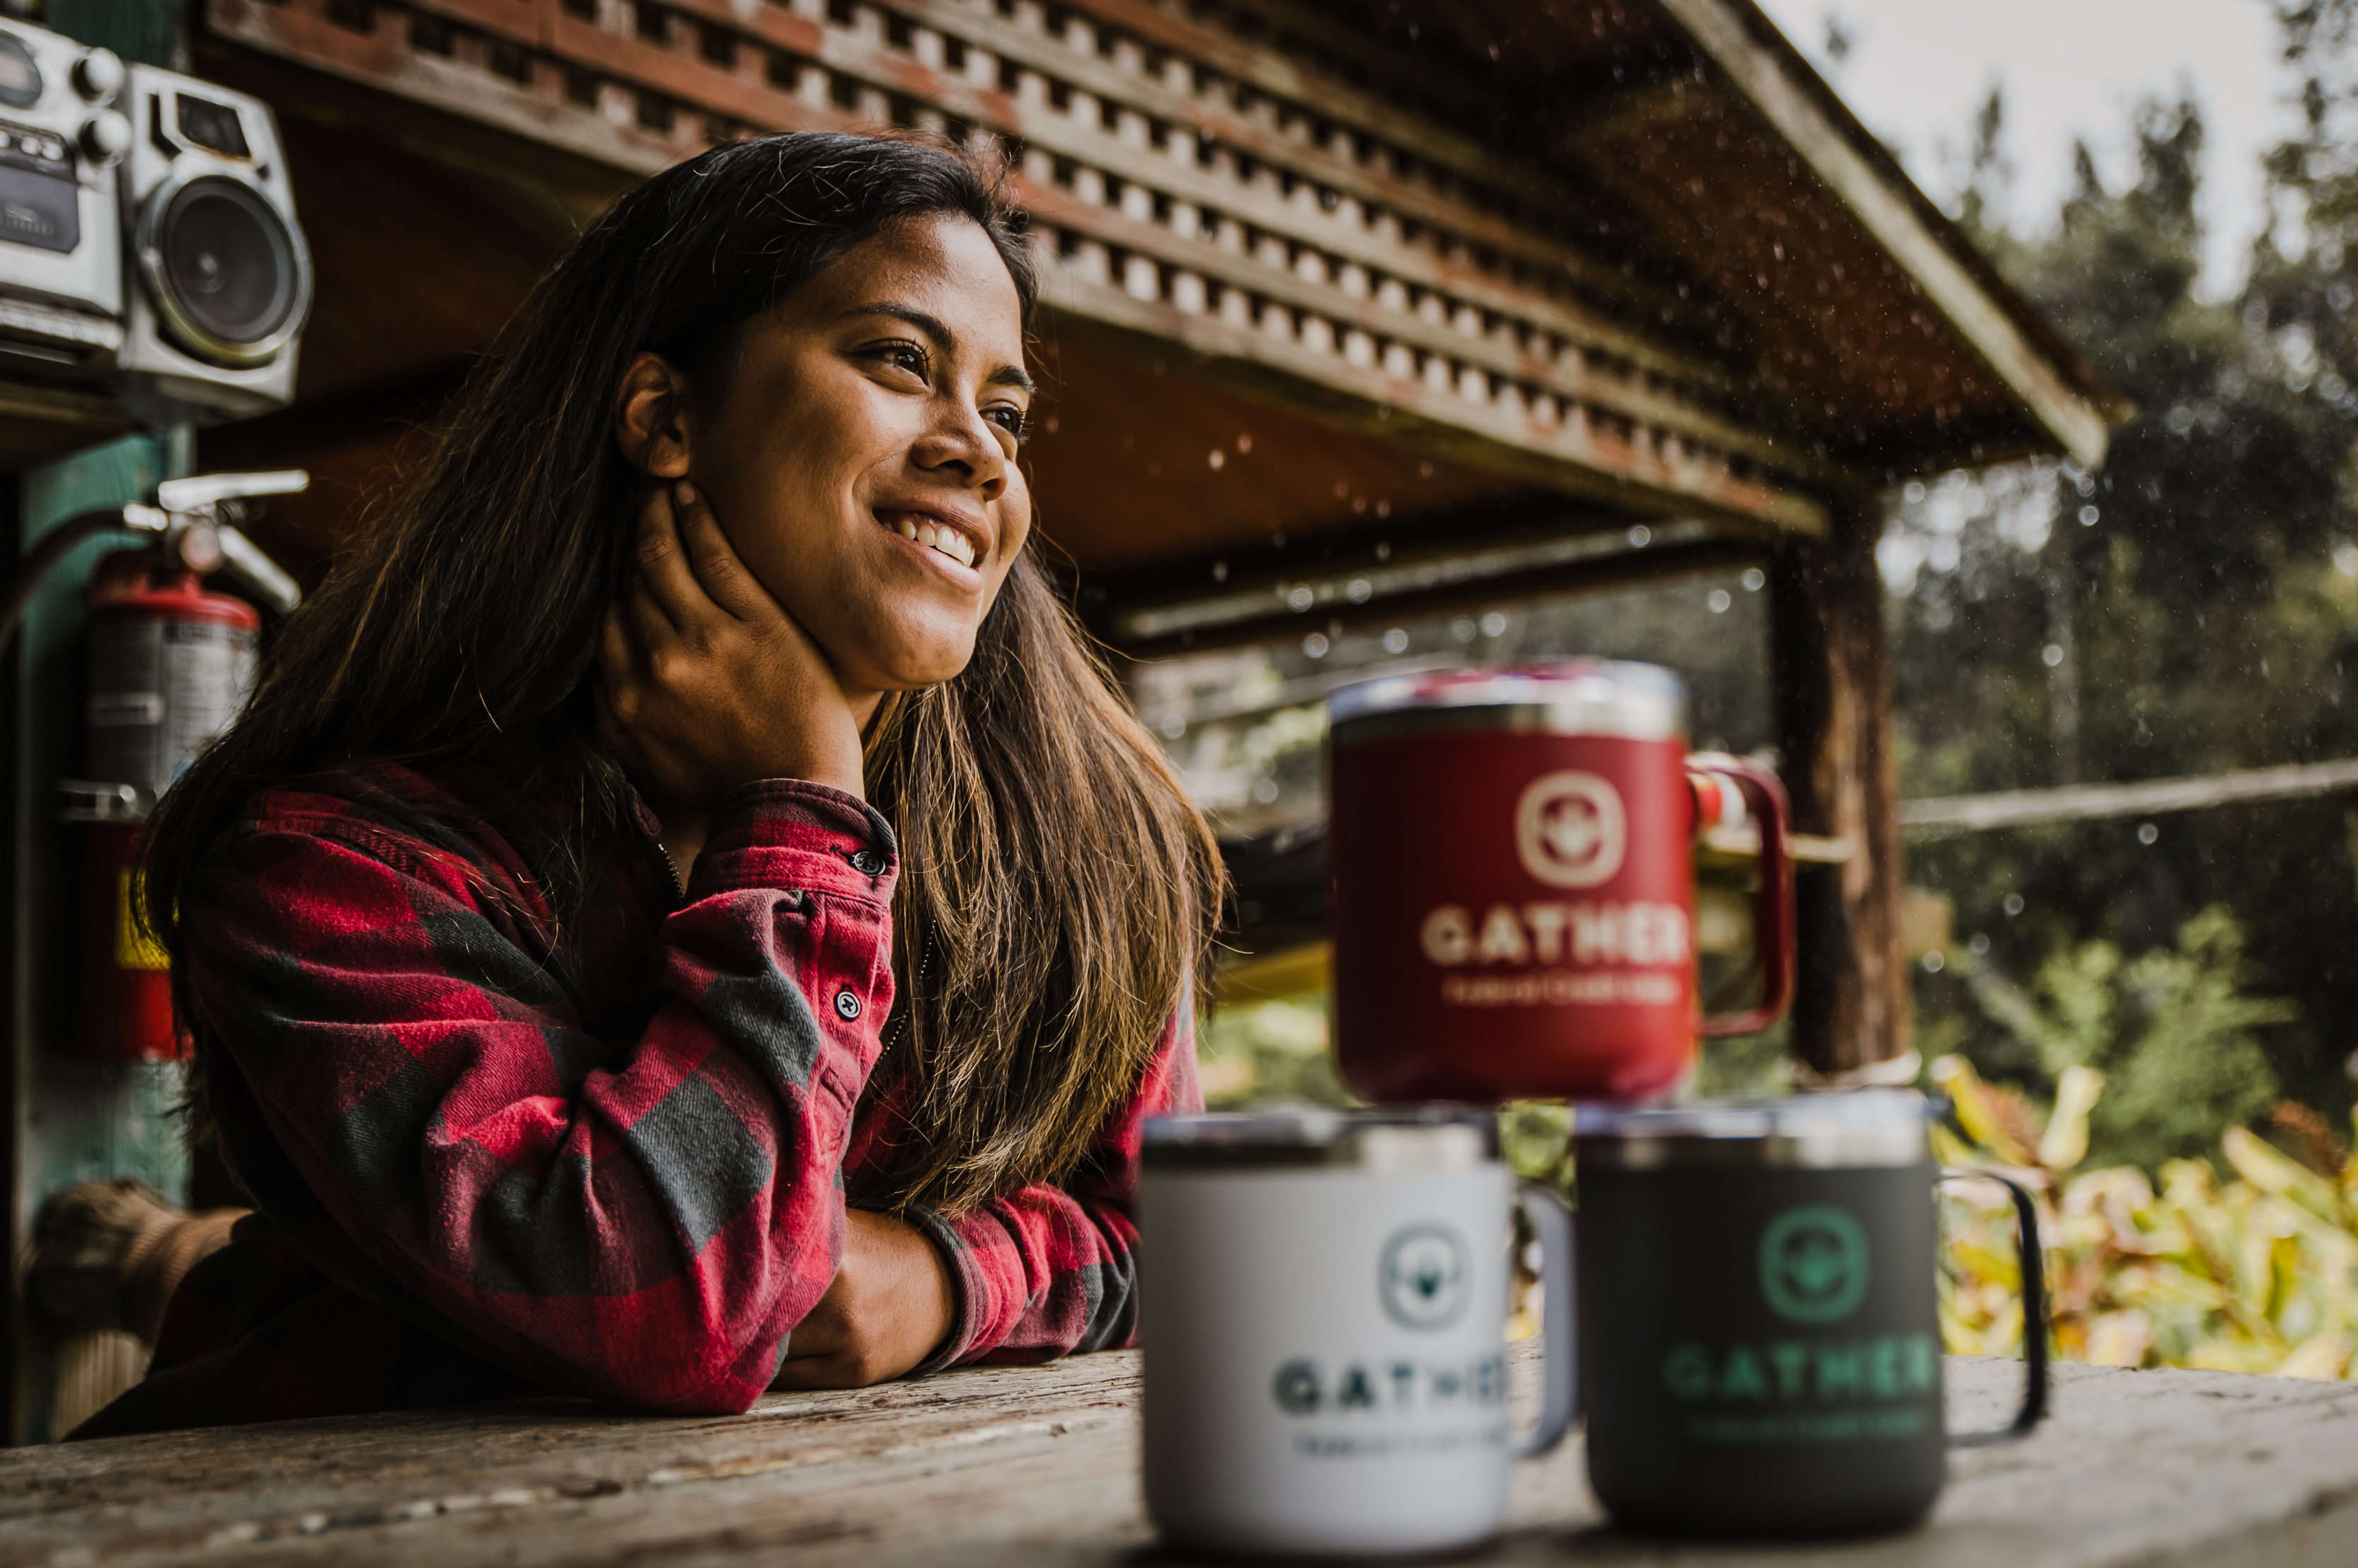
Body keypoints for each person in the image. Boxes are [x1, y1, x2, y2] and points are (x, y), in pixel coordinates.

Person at [73, 132, 1221, 1436]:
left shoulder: (1084, 848)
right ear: (665, 416)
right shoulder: (334, 869)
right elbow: (675, 1307)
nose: (983, 454)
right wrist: (802, 818)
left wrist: (945, 1284)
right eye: (903, 361)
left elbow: (1184, 1230)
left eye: (1006, 412)